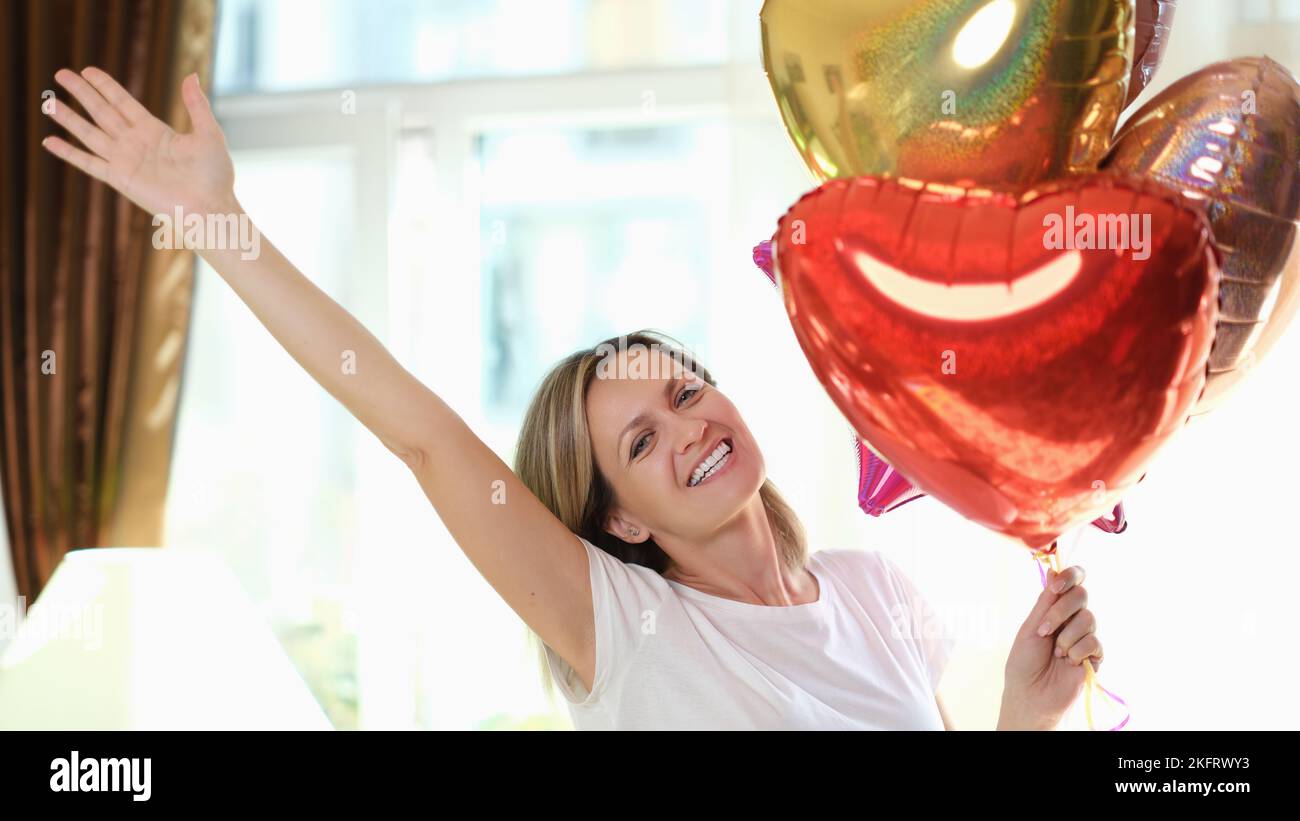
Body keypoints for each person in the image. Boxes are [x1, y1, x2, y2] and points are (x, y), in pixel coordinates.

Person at [40, 67, 1105, 730]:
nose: (690, 426)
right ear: (619, 517)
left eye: (686, 391)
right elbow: (423, 435)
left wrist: (1026, 715)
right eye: (642, 438)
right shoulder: (629, 626)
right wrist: (217, 221)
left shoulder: (875, 589)